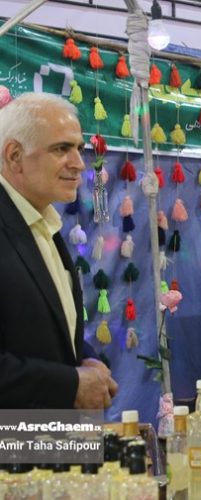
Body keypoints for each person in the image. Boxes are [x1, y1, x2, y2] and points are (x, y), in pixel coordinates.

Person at [0, 92, 118, 409]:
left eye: (79, 148)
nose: (79, 164)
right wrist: (71, 385)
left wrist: (86, 361)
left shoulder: (42, 222)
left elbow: (47, 332)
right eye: (61, 149)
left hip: (51, 436)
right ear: (14, 155)